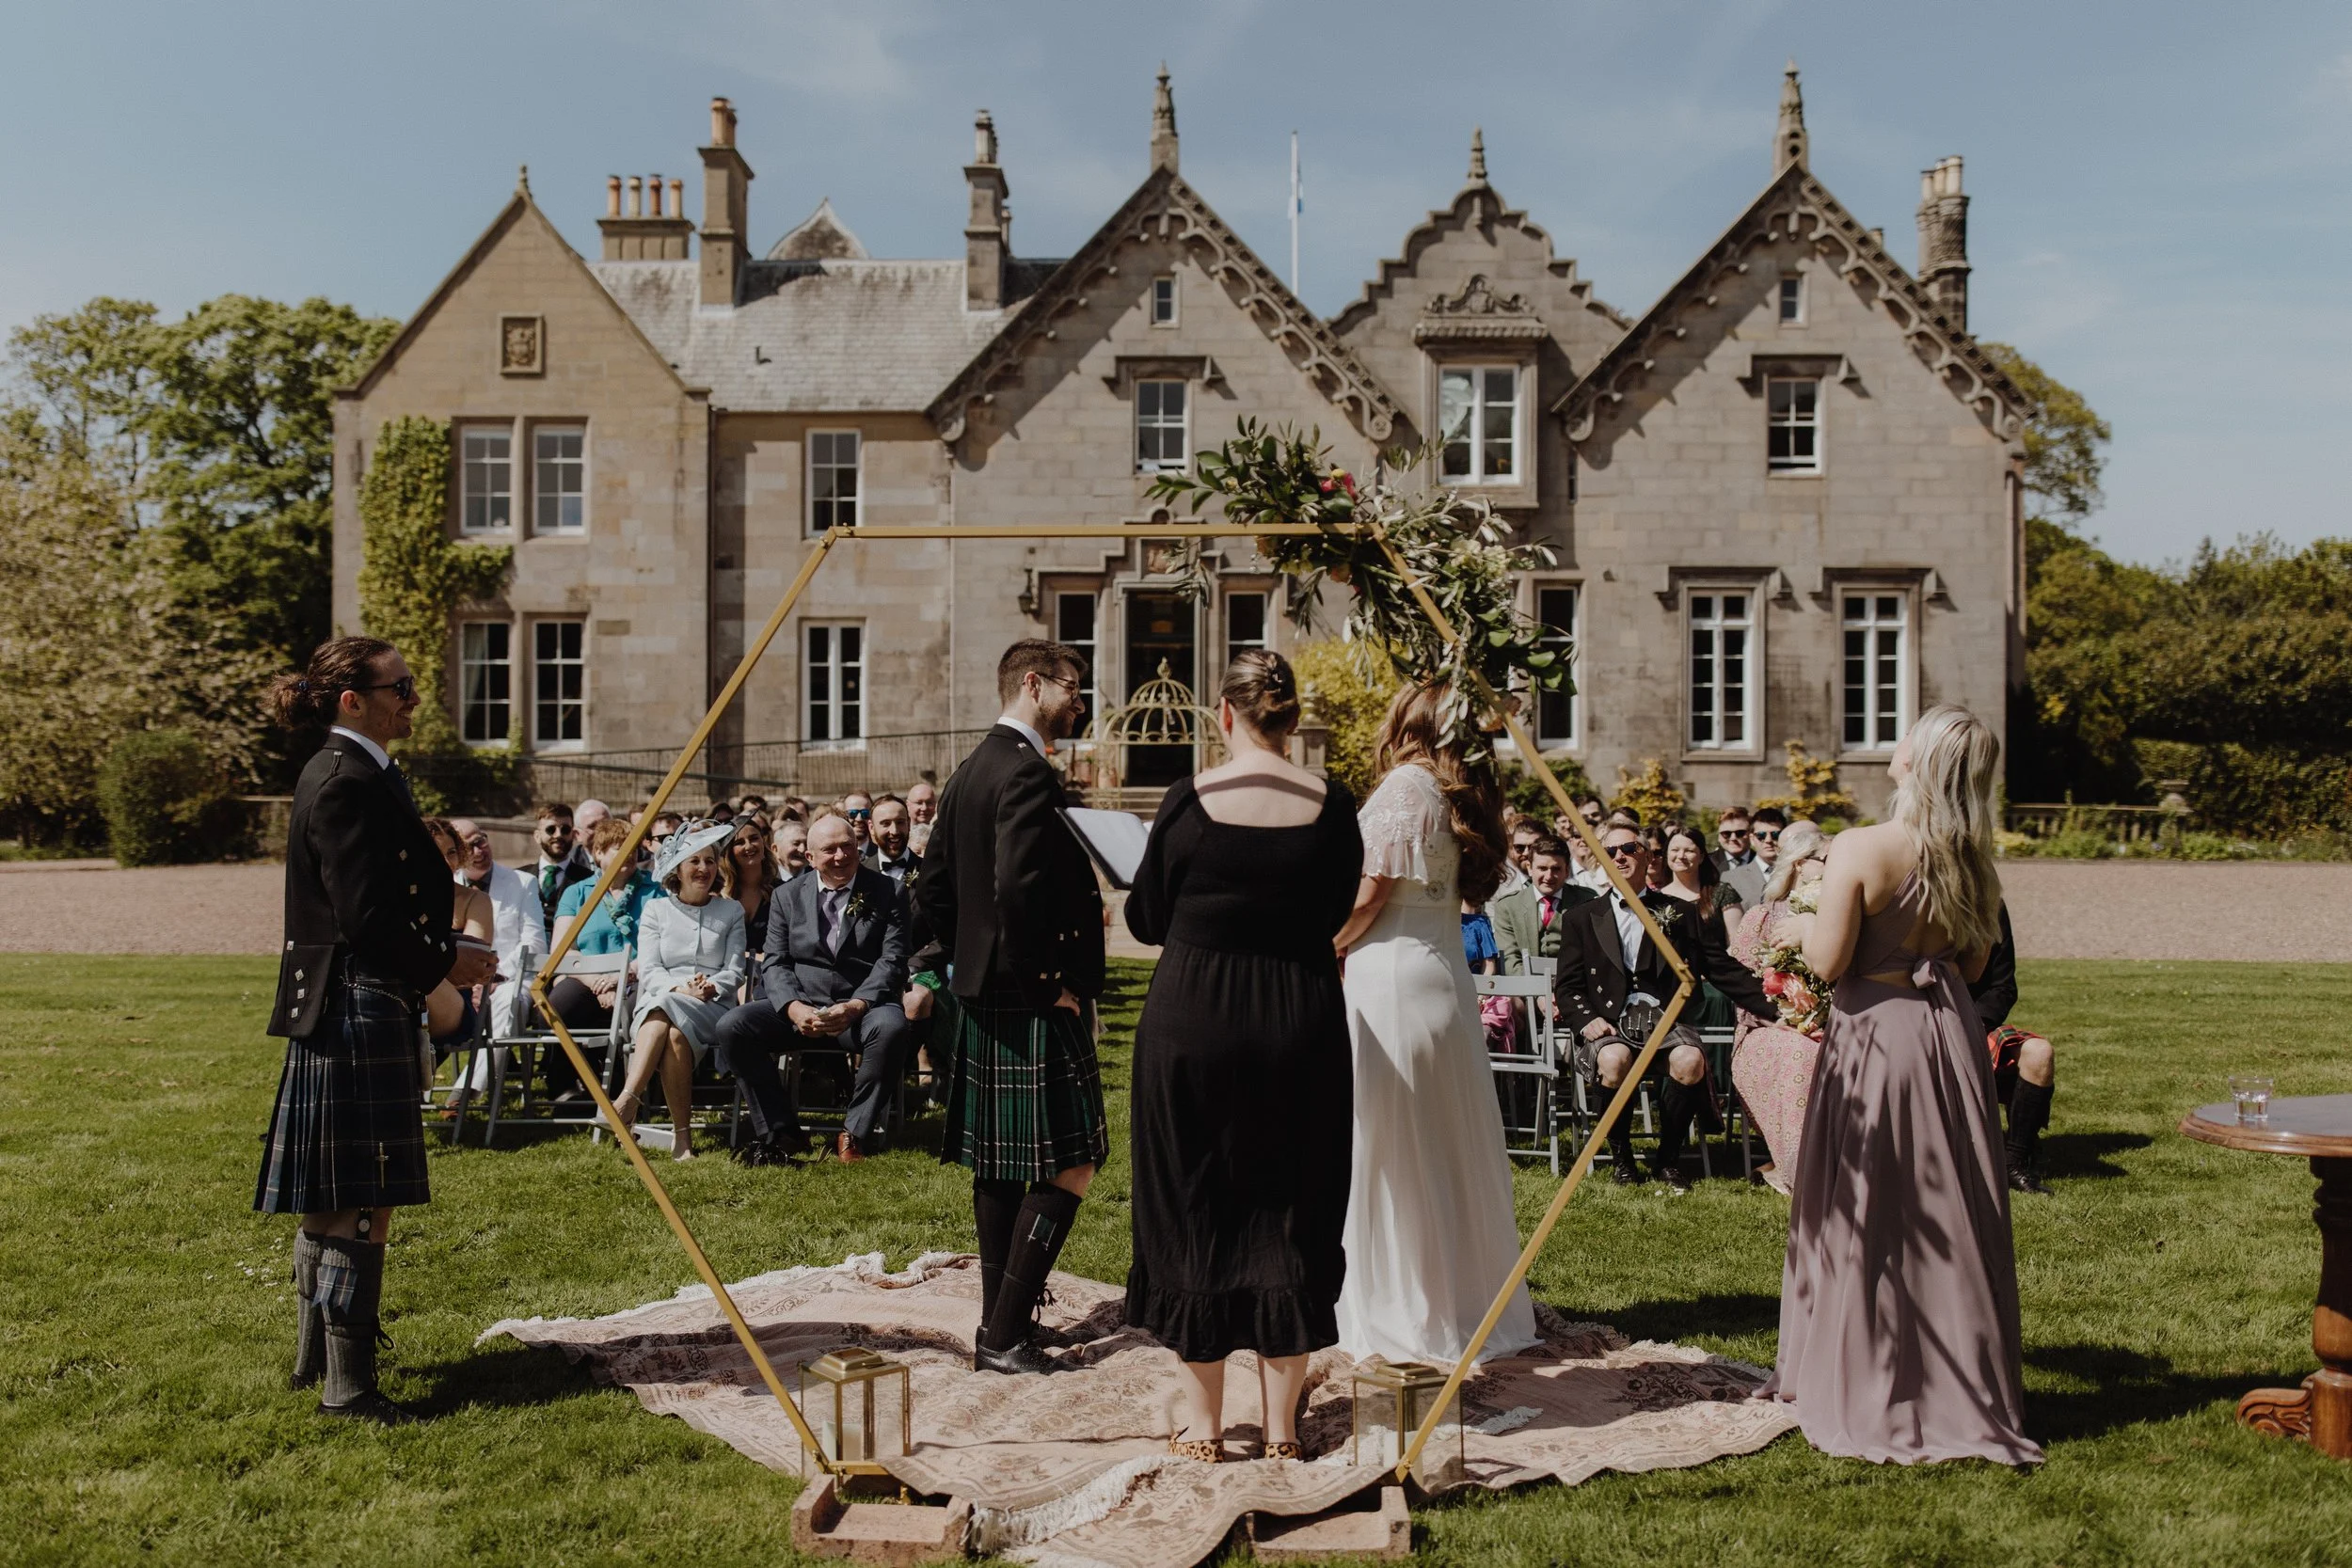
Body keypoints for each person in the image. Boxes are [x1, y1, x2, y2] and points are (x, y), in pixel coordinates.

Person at [1761, 704, 2040, 1466]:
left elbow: (1826, 961)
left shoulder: (1864, 847)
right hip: (1945, 1037)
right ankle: (1958, 1380)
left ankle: (1863, 1378)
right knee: (1947, 1206)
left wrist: (1790, 927)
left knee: (1868, 1203)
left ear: (1917, 758)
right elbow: (1978, 967)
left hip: (1876, 1036)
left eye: (1908, 733)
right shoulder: (1973, 861)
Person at [1121, 650, 1360, 1461]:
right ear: (1291, 717)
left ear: (1224, 714)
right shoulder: (1334, 807)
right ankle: (1285, 1425)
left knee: (1191, 1199)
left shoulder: (1189, 799)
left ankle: (1204, 1420)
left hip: (1194, 1019)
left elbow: (1148, 916)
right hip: (1299, 1017)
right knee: (1296, 1199)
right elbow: (1336, 908)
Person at [255, 637, 497, 1423]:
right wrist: (442, 967)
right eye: (402, 685)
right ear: (352, 698)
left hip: (358, 996)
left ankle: (315, 1362)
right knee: (363, 1199)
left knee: (337, 1195)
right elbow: (364, 917)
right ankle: (347, 1387)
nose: (414, 698)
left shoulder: (357, 771)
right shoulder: (341, 780)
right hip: (362, 996)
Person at [914, 640, 1108, 1376]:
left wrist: (961, 963)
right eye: (1072, 687)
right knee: (1075, 1160)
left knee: (998, 1167)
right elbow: (1018, 890)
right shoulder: (1026, 772)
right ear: (1033, 683)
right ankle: (1002, 1335)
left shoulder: (968, 772)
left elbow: (931, 889)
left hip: (983, 993)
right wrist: (1042, 981)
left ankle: (1001, 1322)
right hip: (1030, 995)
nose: (1080, 702)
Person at [1330, 682, 1539, 1365]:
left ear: (1408, 722)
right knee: (1444, 1143)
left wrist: (1325, 940)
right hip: (1442, 974)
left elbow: (1369, 890)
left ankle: (1397, 1307)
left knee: (1389, 1145)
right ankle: (1460, 1301)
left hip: (1389, 973)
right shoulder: (1462, 794)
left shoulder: (1403, 787)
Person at [1552, 823, 1771, 1190]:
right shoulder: (1581, 917)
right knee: (1613, 1060)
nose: (1618, 856)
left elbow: (1722, 969)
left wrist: (1777, 1006)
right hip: (1608, 1023)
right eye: (1609, 852)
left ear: (1650, 856)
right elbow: (1569, 985)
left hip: (1665, 1022)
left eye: (1628, 848)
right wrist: (1585, 1020)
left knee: (1689, 1061)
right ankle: (1622, 1159)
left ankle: (1668, 1160)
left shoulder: (1680, 913)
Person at [715, 811, 916, 1165]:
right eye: (829, 850)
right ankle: (781, 1130)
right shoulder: (786, 896)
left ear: (858, 847)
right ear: (810, 858)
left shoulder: (889, 891)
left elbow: (893, 960)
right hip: (802, 1008)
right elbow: (775, 962)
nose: (840, 857)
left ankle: (854, 1133)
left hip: (861, 1008)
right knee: (733, 1026)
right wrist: (794, 1008)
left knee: (892, 1027)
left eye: (847, 847)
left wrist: (856, 1005)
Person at [612, 821, 746, 1161]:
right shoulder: (656, 910)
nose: (703, 868)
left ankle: (627, 1098)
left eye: (710, 861)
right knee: (671, 1030)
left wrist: (710, 986)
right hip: (664, 998)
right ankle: (681, 1141)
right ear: (678, 868)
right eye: (694, 861)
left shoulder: (732, 910)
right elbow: (650, 969)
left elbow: (735, 970)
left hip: (713, 1006)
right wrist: (680, 988)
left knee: (664, 1007)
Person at [1725, 821, 1831, 1195]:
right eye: (1826, 860)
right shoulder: (1763, 916)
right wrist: (1778, 1020)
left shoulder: (1839, 919)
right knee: (1798, 1056)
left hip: (1831, 1025)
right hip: (1765, 1030)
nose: (1835, 867)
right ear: (1801, 864)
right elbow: (1739, 984)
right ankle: (1803, 1174)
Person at [546, 816, 659, 1083]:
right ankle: (573, 1081)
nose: (629, 854)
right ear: (598, 852)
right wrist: (599, 983)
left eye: (633, 847)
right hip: (588, 978)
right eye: (620, 847)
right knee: (560, 1004)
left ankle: (631, 1084)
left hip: (639, 979)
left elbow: (660, 946)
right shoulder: (577, 893)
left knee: (638, 1009)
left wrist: (622, 978)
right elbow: (562, 951)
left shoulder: (655, 891)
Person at [1970, 903, 2057, 1196]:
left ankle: (2015, 1162)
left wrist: (1975, 1024)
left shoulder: (1988, 903)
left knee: (2039, 1053)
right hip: (1921, 1025)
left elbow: (2004, 987)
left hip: (1975, 1022)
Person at [450, 816, 548, 1045]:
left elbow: (534, 943)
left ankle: (475, 1081)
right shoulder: (448, 887)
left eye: (481, 841)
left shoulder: (523, 883)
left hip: (510, 978)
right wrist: (472, 980)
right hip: (460, 981)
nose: (478, 851)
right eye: (469, 846)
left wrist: (491, 975)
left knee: (508, 1000)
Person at [422, 817, 498, 1045]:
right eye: (435, 853)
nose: (446, 862)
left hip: (454, 1000)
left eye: (452, 852)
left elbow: (472, 966)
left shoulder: (475, 900)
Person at [1489, 835, 1595, 974]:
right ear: (1530, 868)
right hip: (1526, 990)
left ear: (1567, 870)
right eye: (1542, 868)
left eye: (1556, 869)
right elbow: (1509, 959)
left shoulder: (1587, 901)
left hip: (1573, 988)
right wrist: (1536, 992)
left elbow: (1593, 957)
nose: (1549, 876)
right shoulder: (1508, 907)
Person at [723, 814, 783, 976]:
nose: (749, 846)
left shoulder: (783, 892)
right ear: (729, 852)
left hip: (770, 976)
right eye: (739, 842)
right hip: (726, 978)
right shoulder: (718, 896)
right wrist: (751, 957)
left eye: (754, 838)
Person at [530, 802, 594, 928]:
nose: (558, 835)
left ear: (573, 834)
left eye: (565, 830)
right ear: (537, 836)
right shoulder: (519, 878)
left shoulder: (589, 880)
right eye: (551, 829)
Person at [1715, 806, 1768, 909]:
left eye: (1740, 833)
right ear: (1719, 837)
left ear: (1751, 835)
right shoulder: (1707, 863)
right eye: (1726, 834)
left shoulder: (1764, 863)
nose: (1733, 838)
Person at [865, 794, 919, 888]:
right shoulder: (860, 872)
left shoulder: (928, 869)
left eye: (900, 822)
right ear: (871, 828)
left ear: (909, 824)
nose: (894, 831)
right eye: (886, 824)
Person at [1751, 807, 1788, 877]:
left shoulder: (1799, 873)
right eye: (1761, 835)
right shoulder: (1732, 877)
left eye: (1775, 834)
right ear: (1752, 839)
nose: (1768, 840)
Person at [773, 816, 810, 882]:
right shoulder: (767, 881)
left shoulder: (818, 877)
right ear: (775, 849)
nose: (802, 849)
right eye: (796, 844)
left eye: (806, 844)